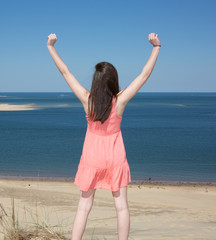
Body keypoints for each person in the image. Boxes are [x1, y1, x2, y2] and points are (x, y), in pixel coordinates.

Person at [47, 33, 161, 240]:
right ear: (114, 81)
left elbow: (65, 72)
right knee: (121, 207)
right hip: (115, 157)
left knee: (84, 206)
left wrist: (50, 46)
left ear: (95, 81)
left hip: (92, 157)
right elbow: (144, 75)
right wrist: (156, 47)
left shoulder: (86, 100)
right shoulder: (120, 100)